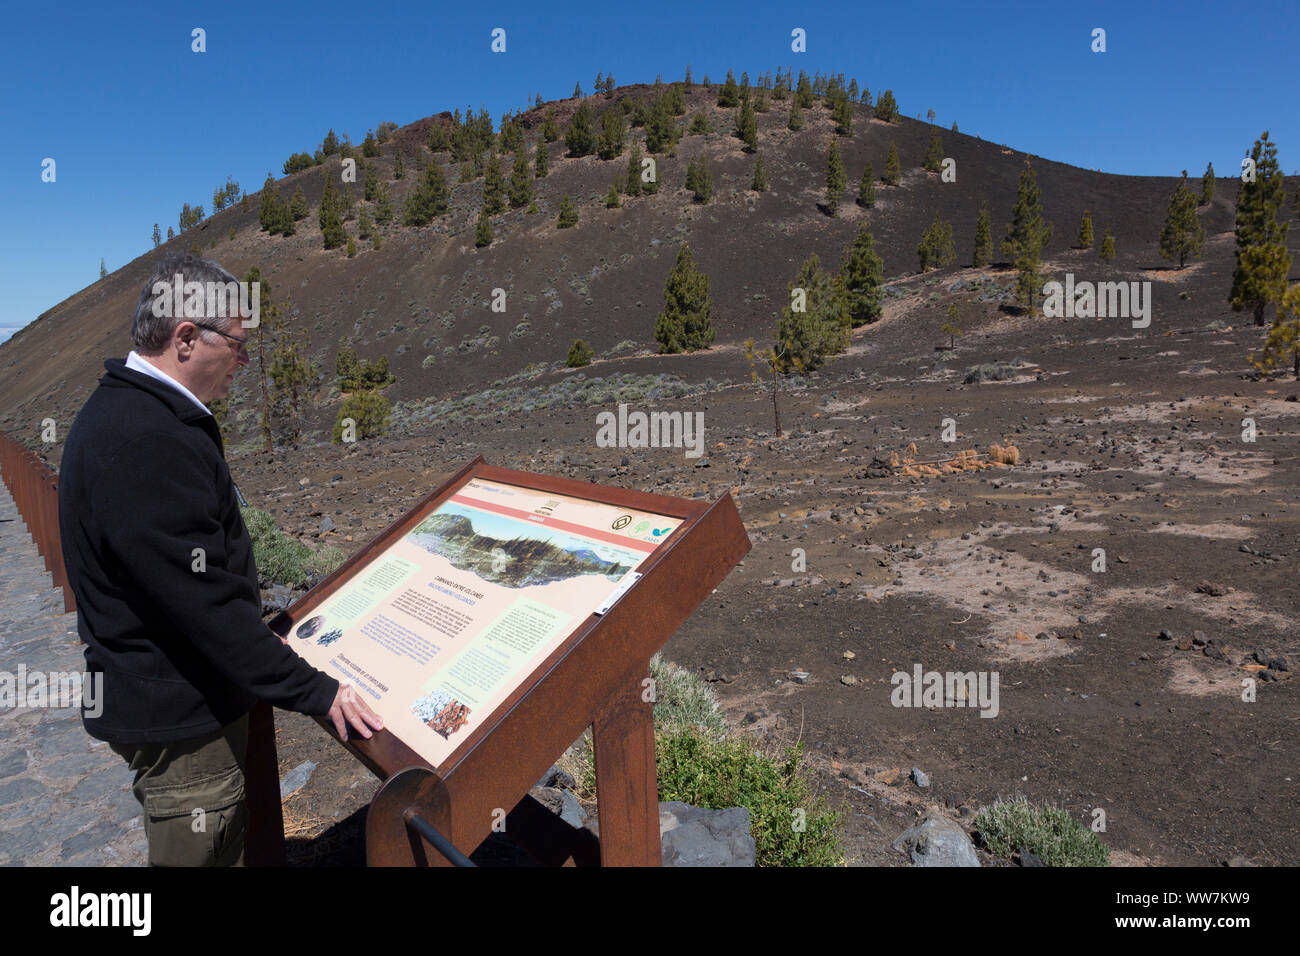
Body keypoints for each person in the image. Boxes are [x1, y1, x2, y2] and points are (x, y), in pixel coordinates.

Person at [57, 253, 382, 866]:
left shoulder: (132, 412)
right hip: (181, 720)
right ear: (185, 339)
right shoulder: (148, 438)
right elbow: (200, 604)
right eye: (236, 344)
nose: (243, 361)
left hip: (173, 699)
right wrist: (315, 690)